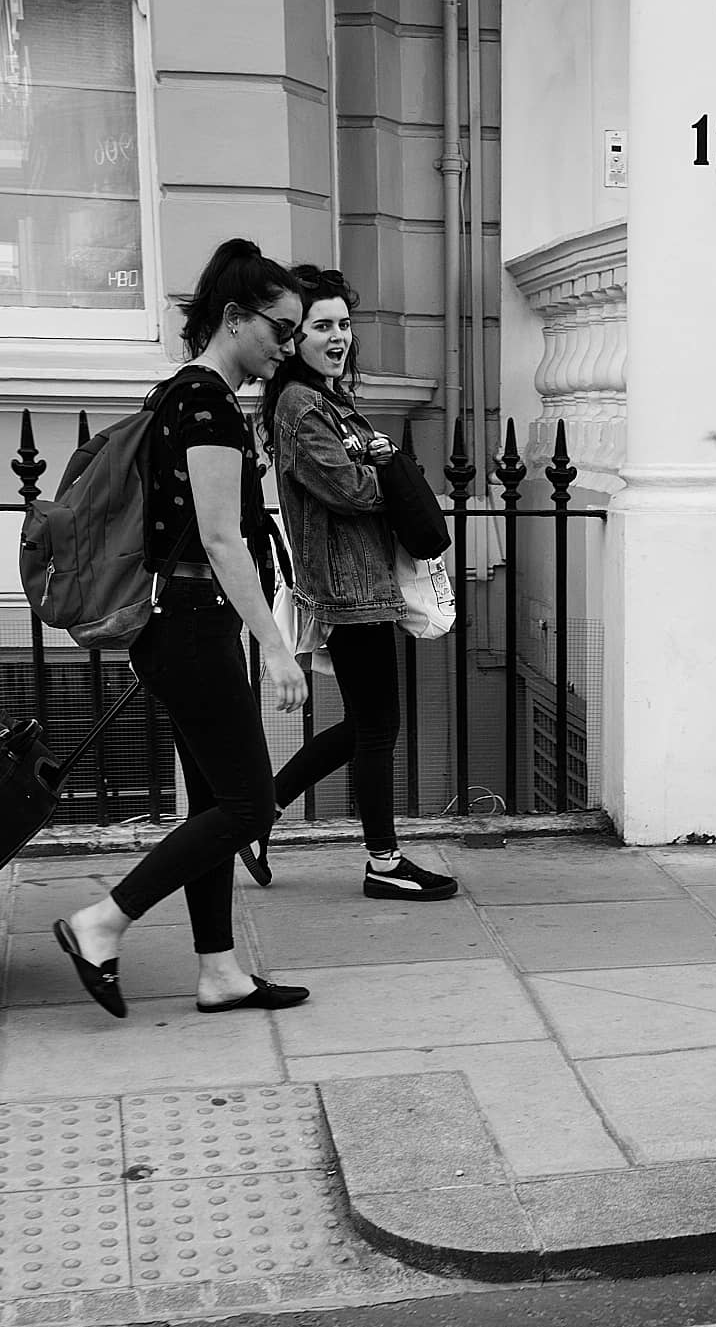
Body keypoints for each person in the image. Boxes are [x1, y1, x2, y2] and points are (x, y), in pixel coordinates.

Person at [53, 239, 312, 1019]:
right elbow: (222, 536)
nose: (287, 345)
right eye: (281, 328)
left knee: (214, 801)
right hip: (191, 623)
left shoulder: (180, 394)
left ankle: (220, 972)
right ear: (235, 318)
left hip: (181, 623)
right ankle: (103, 922)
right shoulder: (205, 403)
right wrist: (275, 648)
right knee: (250, 804)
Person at [240, 265, 457, 902]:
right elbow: (349, 488)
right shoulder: (300, 404)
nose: (339, 337)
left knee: (368, 721)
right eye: (322, 326)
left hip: (365, 582)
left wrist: (379, 460)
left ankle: (261, 812)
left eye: (344, 324)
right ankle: (383, 862)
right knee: (378, 727)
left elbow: (363, 476)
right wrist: (386, 462)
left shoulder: (329, 399)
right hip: (348, 588)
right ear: (294, 336)